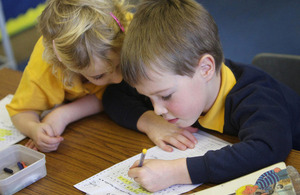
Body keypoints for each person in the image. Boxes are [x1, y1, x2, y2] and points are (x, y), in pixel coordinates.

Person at [102, 0, 300, 192]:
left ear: (205, 69)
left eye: (166, 96)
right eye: (148, 97)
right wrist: (151, 122)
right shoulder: (164, 82)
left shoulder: (256, 95)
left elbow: (267, 149)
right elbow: (113, 95)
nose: (157, 109)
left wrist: (175, 172)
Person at [6, 0, 133, 152]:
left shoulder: (127, 29)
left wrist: (66, 114)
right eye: (98, 76)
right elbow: (21, 112)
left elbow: (116, 93)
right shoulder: (46, 68)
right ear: (69, 67)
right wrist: (34, 129)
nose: (119, 79)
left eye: (121, 64)